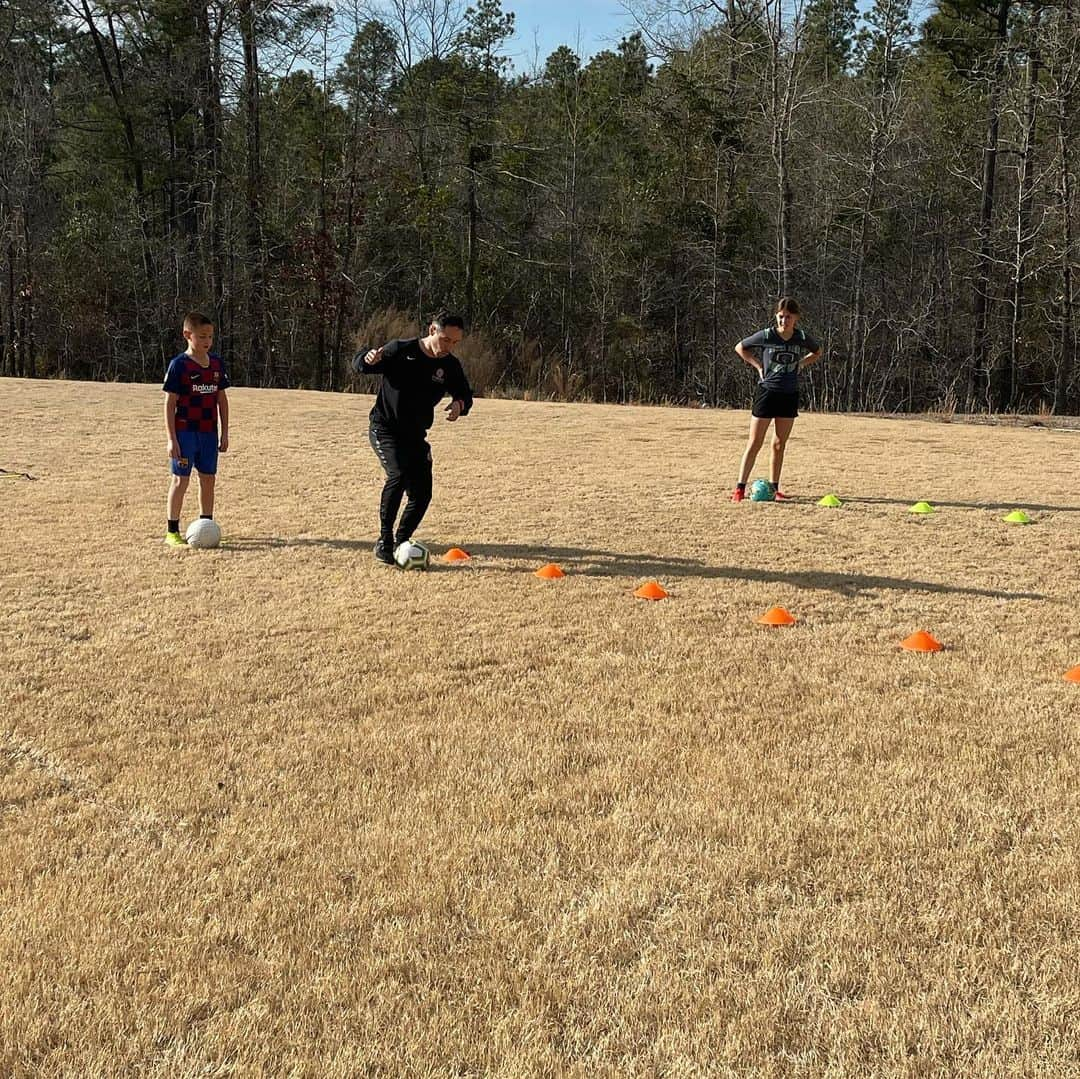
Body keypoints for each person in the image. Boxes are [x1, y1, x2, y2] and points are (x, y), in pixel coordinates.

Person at [353, 313, 474, 564]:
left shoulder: (450, 365)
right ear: (432, 330)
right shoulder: (400, 350)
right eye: (445, 339)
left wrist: (459, 404)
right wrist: (366, 358)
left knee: (422, 494)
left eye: (455, 343)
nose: (449, 347)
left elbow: (464, 393)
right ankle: (384, 541)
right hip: (385, 428)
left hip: (416, 435)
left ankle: (402, 541)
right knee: (398, 475)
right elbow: (362, 364)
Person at [731, 297, 822, 502]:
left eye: (788, 317)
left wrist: (802, 363)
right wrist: (758, 366)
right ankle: (740, 488)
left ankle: (774, 488)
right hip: (767, 393)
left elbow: (817, 352)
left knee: (779, 444)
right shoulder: (767, 335)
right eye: (781, 317)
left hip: (789, 394)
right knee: (755, 442)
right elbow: (740, 347)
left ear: (796, 318)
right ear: (776, 317)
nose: (784, 321)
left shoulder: (801, 337)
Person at [162, 312, 230, 545]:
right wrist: (172, 439)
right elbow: (170, 404)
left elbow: (222, 400)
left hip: (208, 434)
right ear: (187, 335)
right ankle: (172, 531)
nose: (207, 341)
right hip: (185, 434)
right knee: (181, 481)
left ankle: (206, 525)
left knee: (208, 479)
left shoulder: (217, 364)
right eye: (202, 336)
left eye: (210, 336)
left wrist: (225, 432)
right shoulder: (179, 365)